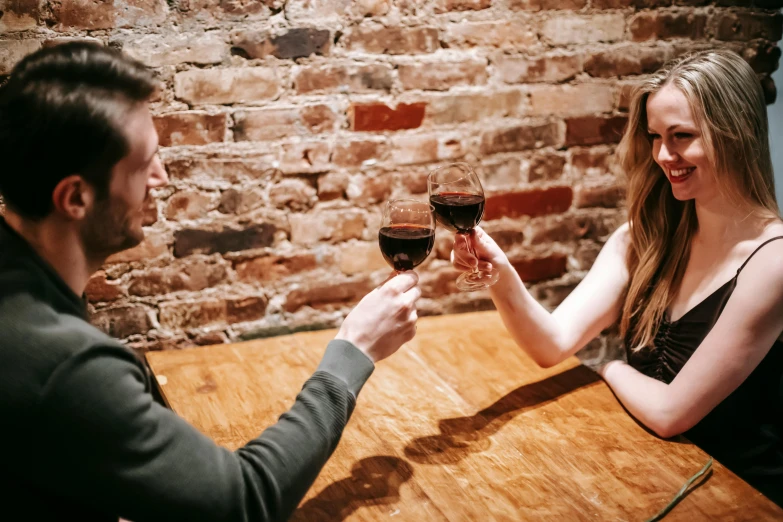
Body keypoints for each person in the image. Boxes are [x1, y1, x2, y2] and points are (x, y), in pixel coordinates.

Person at [0, 42, 421, 521]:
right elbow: (244, 501)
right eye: (144, 164)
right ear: (75, 197)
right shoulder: (66, 368)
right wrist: (355, 349)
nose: (159, 177)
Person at [452, 49, 783, 506]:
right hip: (653, 476)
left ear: (738, 134)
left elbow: (670, 413)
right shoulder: (642, 240)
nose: (664, 156)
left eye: (681, 136)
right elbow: (550, 344)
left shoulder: (773, 261)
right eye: (655, 137)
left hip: (741, 500)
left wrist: (609, 366)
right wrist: (499, 274)